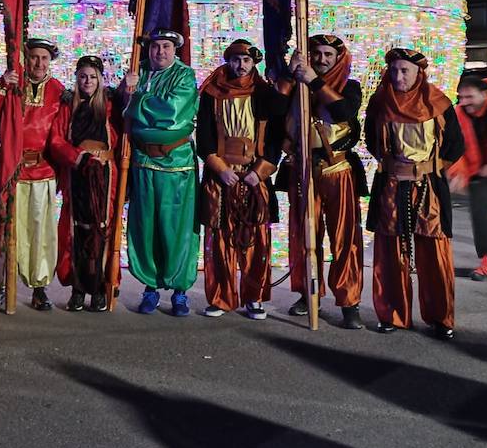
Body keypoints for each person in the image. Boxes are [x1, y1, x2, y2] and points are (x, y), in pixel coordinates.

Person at [365, 47, 464, 339]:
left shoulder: (438, 103)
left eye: (404, 70)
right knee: (390, 252)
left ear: (418, 73)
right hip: (393, 185)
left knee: (435, 253)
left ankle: (440, 317)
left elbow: (455, 146)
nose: (398, 76)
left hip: (429, 188)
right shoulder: (381, 102)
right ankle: (393, 314)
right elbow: (373, 141)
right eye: (394, 70)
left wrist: (428, 168)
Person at [279, 34, 368, 329]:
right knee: (306, 237)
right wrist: (291, 76)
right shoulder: (295, 85)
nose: (322, 59)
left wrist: (314, 81)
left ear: (338, 57)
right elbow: (275, 111)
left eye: (328, 54)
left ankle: (349, 301)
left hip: (337, 171)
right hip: (303, 170)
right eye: (316, 53)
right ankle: (308, 293)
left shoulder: (349, 86)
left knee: (344, 240)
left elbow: (345, 111)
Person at [196, 40, 284, 321]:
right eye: (236, 60)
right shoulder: (212, 93)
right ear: (228, 61)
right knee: (219, 239)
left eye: (246, 60)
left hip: (253, 175)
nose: (241, 65)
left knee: (256, 239)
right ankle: (221, 298)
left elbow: (275, 138)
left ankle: (254, 297)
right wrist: (219, 168)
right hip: (221, 175)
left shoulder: (264, 93)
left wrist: (259, 172)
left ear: (254, 63)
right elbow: (205, 137)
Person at [0, 39, 65, 311]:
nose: (38, 63)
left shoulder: (58, 92)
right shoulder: (11, 86)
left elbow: (61, 134)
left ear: (50, 62)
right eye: (34, 57)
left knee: (39, 232)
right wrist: (2, 86)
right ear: (25, 60)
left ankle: (39, 287)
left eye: (44, 58)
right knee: (0, 228)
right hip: (7, 171)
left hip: (41, 173)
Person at [122, 29, 199, 317]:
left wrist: (137, 99)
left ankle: (180, 291)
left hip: (176, 165)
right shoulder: (136, 72)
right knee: (146, 227)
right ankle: (150, 287)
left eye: (166, 46)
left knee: (176, 228)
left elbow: (171, 113)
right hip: (143, 163)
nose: (160, 52)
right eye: (155, 47)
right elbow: (122, 112)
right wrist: (125, 92)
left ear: (174, 49)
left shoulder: (185, 76)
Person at [49, 55, 122, 313]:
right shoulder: (68, 107)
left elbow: (126, 133)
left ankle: (101, 288)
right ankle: (78, 290)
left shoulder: (112, 105)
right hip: (78, 174)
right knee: (76, 232)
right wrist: (79, 158)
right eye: (83, 76)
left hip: (105, 176)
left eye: (92, 77)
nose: (87, 81)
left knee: (102, 230)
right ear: (77, 78)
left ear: (100, 79)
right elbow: (56, 141)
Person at [450, 74, 487, 280]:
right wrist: (458, 173)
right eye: (461, 97)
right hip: (482, 171)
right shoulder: (459, 113)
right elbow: (456, 150)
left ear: (484, 94)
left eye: (469, 97)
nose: (464, 102)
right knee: (478, 208)